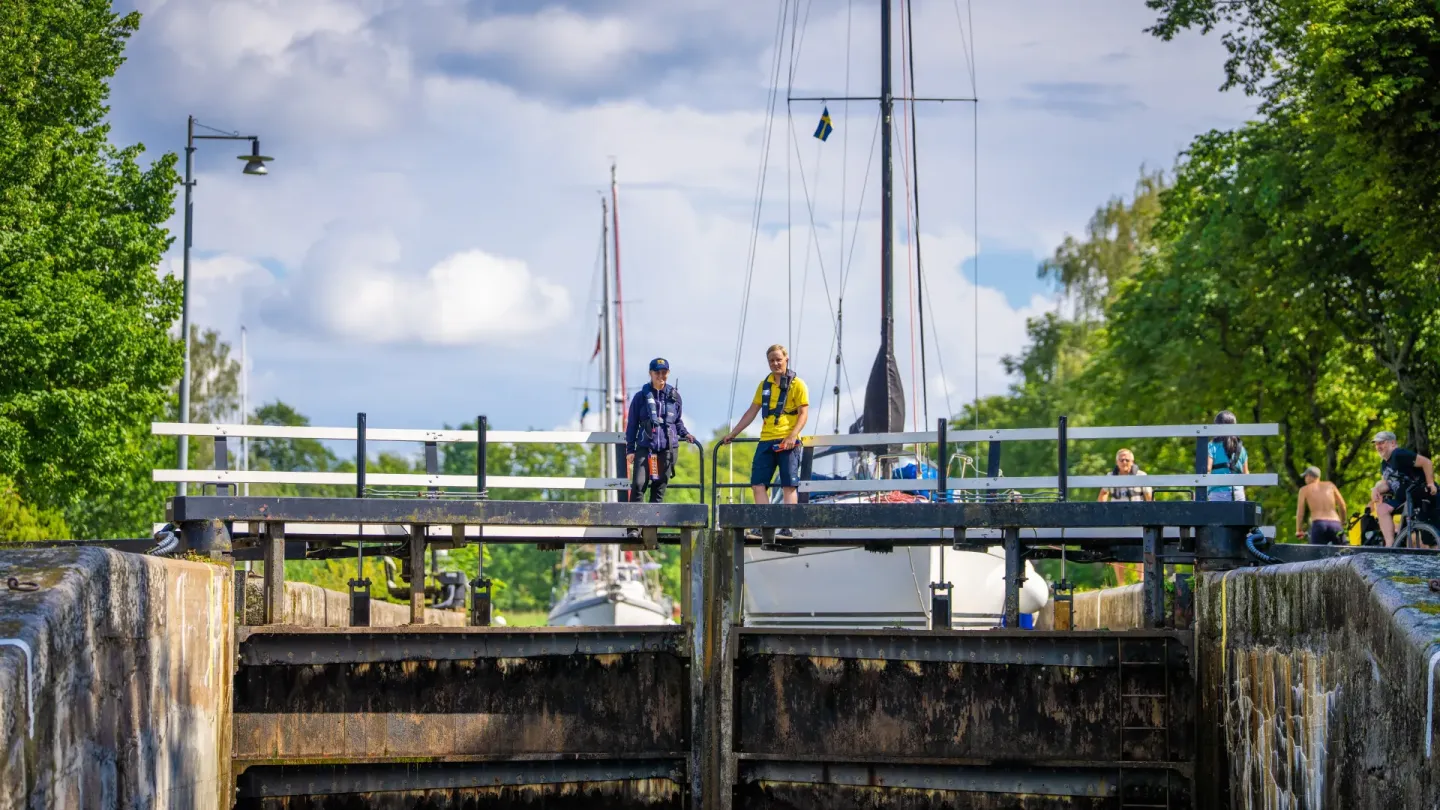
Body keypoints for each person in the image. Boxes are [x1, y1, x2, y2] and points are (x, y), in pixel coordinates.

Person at [719, 344, 810, 515]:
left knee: (788, 484)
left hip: (787, 442)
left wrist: (792, 436)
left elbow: (803, 413)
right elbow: (752, 411)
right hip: (766, 440)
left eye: (778, 360)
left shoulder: (798, 384)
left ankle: (788, 525)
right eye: (771, 361)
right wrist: (733, 433)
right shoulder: (764, 385)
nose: (775, 363)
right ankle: (764, 523)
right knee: (758, 484)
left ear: (786, 360)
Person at [625, 358, 697, 510]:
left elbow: (677, 421)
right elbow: (632, 425)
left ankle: (651, 529)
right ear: (650, 373)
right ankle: (634, 527)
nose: (660, 376)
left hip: (668, 448)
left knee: (659, 488)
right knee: (638, 485)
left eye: (664, 372)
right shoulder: (640, 398)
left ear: (668, 373)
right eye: (657, 372)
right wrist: (630, 450)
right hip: (646, 447)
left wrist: (686, 433)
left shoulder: (674, 397)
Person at [1369, 430, 1437, 547]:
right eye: (1377, 444)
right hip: (1405, 497)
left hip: (1422, 493)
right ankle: (1390, 545)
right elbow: (1386, 484)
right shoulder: (1384, 464)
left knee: (1431, 539)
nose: (1378, 446)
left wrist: (1431, 483)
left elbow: (1427, 462)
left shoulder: (1399, 454)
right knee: (1382, 509)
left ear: (1393, 443)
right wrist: (1375, 488)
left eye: (1382, 443)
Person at [1295, 466, 1347, 544]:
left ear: (1309, 476)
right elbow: (1342, 505)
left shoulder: (1304, 490)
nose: (1305, 479)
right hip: (1335, 524)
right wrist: (1342, 523)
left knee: (1317, 554)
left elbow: (1300, 512)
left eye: (1305, 476)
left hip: (1319, 524)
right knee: (1344, 553)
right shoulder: (1330, 485)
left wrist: (1299, 530)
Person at [1205, 410, 1249, 501]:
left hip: (1218, 493)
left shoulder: (1211, 446)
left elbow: (1207, 469)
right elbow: (1246, 474)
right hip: (1238, 494)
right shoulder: (1241, 448)